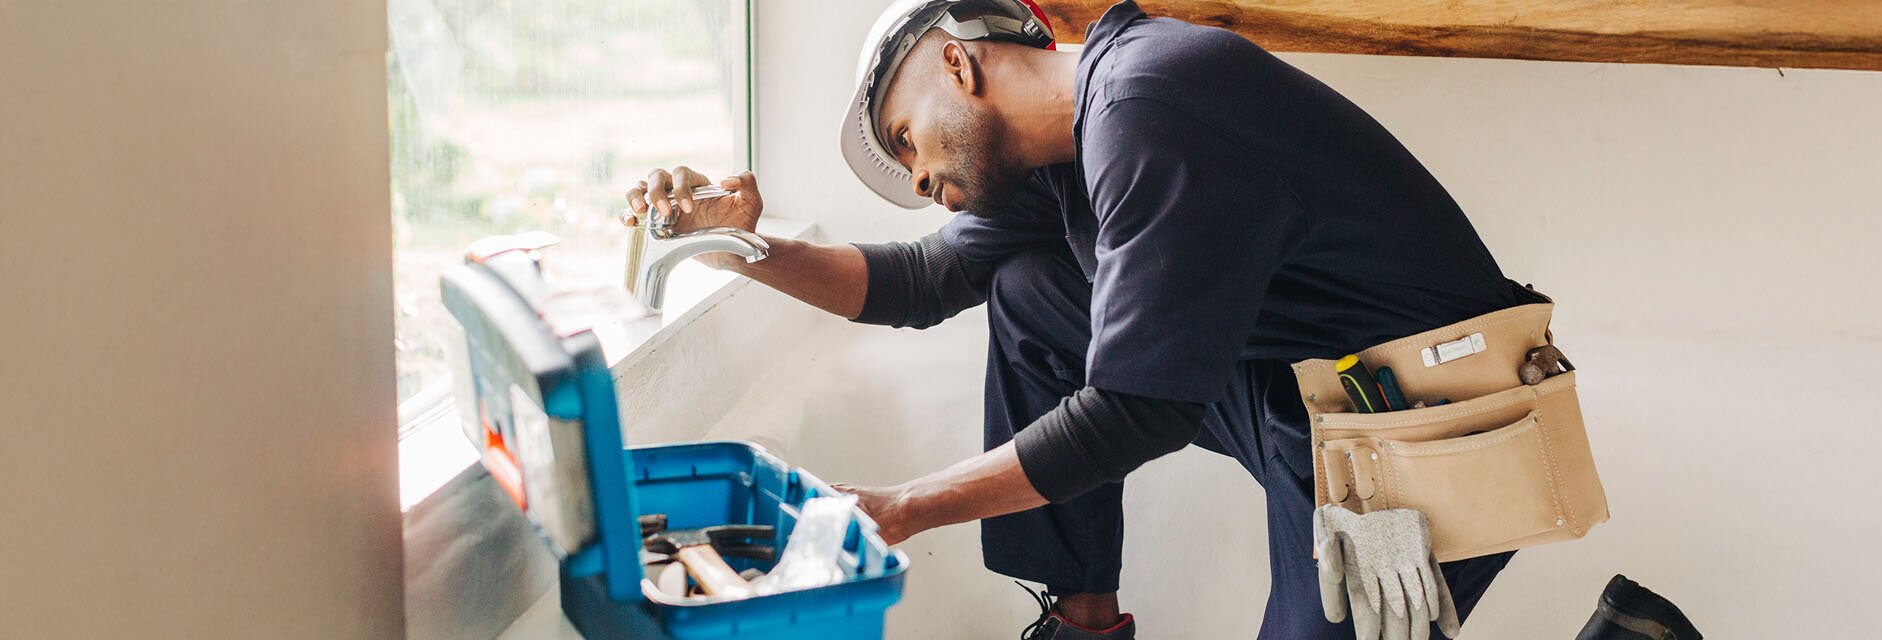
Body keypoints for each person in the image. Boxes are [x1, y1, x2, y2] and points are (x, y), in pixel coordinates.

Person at [624, 1, 1536, 637]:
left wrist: (899, 509)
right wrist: (734, 246)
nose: (915, 178)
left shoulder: (1152, 104)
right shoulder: (1062, 149)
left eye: (906, 138)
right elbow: (922, 282)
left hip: (1426, 425)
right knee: (1030, 292)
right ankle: (1083, 624)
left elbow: (1139, 409)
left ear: (957, 61)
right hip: (1300, 396)